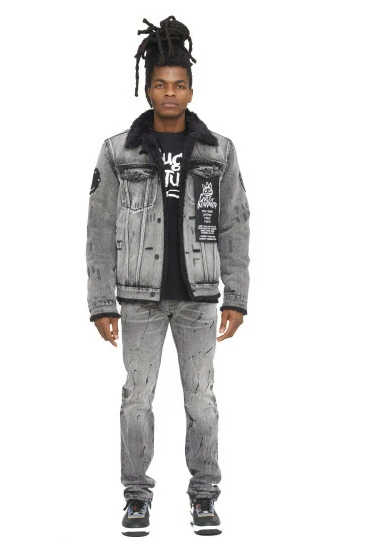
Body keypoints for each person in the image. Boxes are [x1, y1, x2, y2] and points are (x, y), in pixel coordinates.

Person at [86, 15, 250, 537]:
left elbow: (235, 224)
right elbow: (99, 228)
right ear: (148, 89)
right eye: (161, 84)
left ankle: (204, 496)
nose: (170, 93)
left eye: (179, 85)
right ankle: (136, 497)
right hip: (138, 299)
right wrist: (101, 302)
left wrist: (236, 296)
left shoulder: (219, 151)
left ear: (191, 91)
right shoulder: (118, 151)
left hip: (200, 298)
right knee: (137, 399)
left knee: (202, 400)